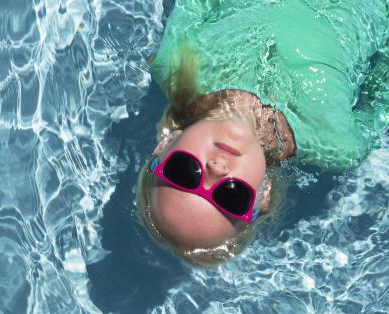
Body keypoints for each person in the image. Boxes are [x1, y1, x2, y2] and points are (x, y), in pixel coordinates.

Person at [135, 0, 388, 267]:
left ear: (166, 144)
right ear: (263, 194)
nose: (217, 169)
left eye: (185, 171)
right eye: (232, 195)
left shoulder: (175, 65)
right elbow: (383, 86)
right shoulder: (338, 142)